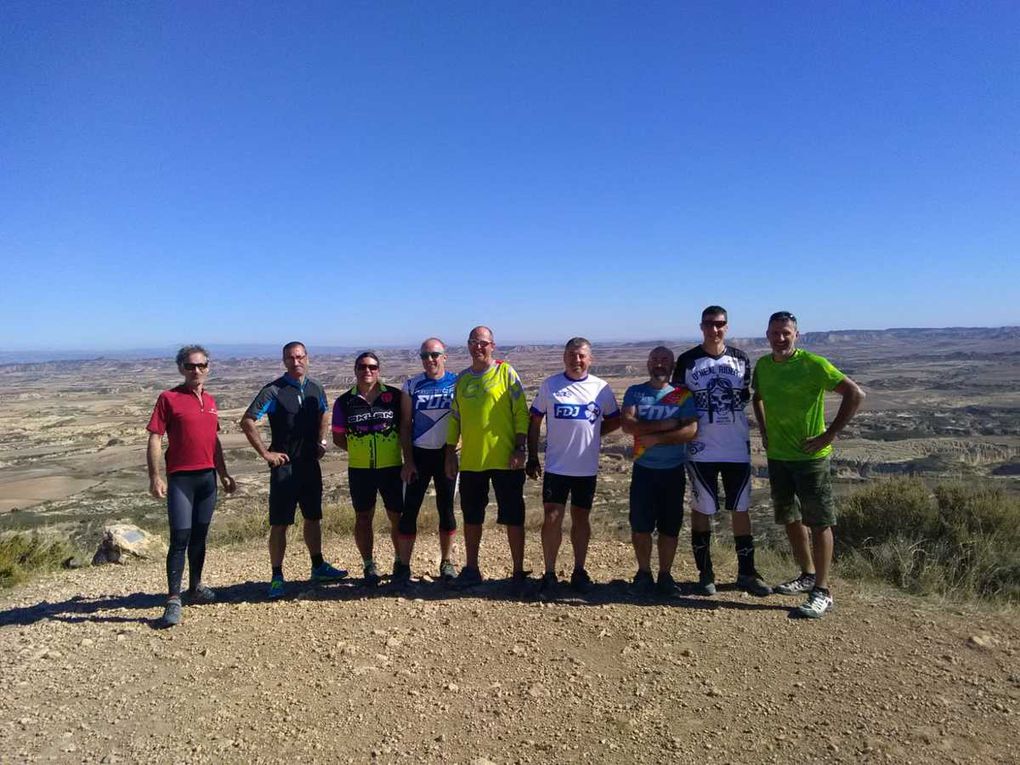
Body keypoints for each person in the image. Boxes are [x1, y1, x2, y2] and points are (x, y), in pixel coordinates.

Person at [752, 311, 865, 618]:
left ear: (797, 335)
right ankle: (807, 575)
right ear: (767, 334)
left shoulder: (813, 364)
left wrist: (829, 434)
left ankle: (823, 591)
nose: (780, 337)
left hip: (810, 459)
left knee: (819, 522)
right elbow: (757, 397)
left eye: (786, 332)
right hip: (778, 456)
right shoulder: (763, 366)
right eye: (775, 332)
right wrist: (763, 430)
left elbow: (855, 393)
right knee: (790, 518)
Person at [672, 306, 772, 597]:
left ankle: (747, 572)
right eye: (709, 324)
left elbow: (743, 397)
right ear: (701, 326)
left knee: (741, 508)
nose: (714, 329)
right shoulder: (688, 361)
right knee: (702, 509)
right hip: (700, 448)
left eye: (720, 324)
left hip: (735, 447)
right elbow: (679, 401)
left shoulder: (740, 359)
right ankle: (705, 572)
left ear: (726, 326)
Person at [240, 341, 348, 599]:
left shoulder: (315, 388)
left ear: (307, 358)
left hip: (309, 465)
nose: (296, 361)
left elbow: (324, 412)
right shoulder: (273, 390)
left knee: (313, 517)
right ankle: (277, 576)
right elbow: (247, 420)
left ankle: (318, 566)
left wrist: (321, 442)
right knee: (280, 523)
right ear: (284, 360)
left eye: (300, 357)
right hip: (284, 468)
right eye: (291, 357)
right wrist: (266, 453)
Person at [146, 345, 236, 627]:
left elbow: (214, 441)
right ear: (180, 368)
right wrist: (155, 476)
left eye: (201, 365)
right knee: (180, 538)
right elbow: (155, 439)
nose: (196, 370)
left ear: (208, 367)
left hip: (207, 478)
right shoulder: (168, 398)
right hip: (181, 479)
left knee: (200, 536)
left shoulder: (210, 400)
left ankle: (195, 588)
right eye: (190, 366)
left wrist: (223, 474)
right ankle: (173, 598)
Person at [526, 337, 620, 597]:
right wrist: (532, 456)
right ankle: (549, 573)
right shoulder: (550, 385)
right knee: (551, 518)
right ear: (564, 357)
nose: (576, 360)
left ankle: (579, 570)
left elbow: (614, 420)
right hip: (557, 467)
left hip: (585, 468)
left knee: (581, 519)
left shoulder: (602, 388)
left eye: (581, 355)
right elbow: (534, 420)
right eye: (571, 355)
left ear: (590, 359)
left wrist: (593, 434)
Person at [445, 326, 530, 592]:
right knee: (472, 516)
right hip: (472, 461)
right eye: (473, 342)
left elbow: (521, 412)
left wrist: (520, 447)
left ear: (492, 345)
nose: (477, 347)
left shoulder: (506, 372)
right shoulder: (462, 380)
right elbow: (455, 418)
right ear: (468, 346)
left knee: (513, 516)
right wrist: (450, 452)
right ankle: (472, 569)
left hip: (506, 460)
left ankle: (518, 572)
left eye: (482, 342)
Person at [620, 346, 699, 598]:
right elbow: (628, 425)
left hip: (673, 471)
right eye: (655, 359)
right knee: (641, 525)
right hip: (644, 470)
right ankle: (643, 574)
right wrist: (666, 425)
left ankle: (665, 575)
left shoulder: (681, 394)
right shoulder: (636, 392)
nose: (659, 364)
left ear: (672, 364)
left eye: (664, 360)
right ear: (648, 363)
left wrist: (654, 439)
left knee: (669, 526)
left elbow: (690, 431)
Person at [332, 351, 404, 587]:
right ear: (355, 370)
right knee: (363, 517)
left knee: (397, 516)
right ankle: (368, 564)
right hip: (360, 469)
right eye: (362, 367)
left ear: (379, 370)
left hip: (392, 466)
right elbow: (339, 438)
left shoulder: (394, 396)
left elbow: (405, 430)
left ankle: (400, 561)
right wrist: (360, 451)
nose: (367, 371)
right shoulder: (344, 402)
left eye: (372, 367)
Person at [399, 338, 458, 583]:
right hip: (419, 455)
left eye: (434, 354)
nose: (430, 359)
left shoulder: (457, 382)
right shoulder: (412, 385)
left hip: (447, 454)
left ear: (445, 356)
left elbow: (464, 420)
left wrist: (452, 452)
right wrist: (408, 461)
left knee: (446, 510)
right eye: (424, 356)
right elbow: (404, 424)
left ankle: (447, 562)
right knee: (409, 511)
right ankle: (402, 566)